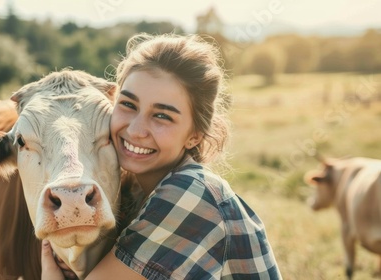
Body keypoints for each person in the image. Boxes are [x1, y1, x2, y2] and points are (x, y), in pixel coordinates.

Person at [42, 33, 282, 279]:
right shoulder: (140, 192)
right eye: (128, 104)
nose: (135, 130)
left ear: (195, 135)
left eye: (162, 116)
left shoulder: (191, 194)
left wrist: (50, 273)